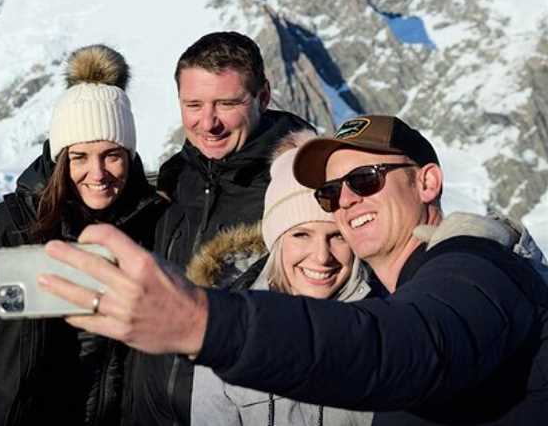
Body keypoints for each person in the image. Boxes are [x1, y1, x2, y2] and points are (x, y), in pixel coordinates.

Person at [40, 114, 548, 425]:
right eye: (331, 192)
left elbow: (408, 346)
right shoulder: (412, 285)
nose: (346, 201)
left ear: (427, 182)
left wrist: (204, 322)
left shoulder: (478, 266)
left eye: (366, 178)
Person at [0, 45, 166, 426]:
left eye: (112, 154)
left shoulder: (154, 226)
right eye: (79, 157)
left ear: (130, 154)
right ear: (60, 160)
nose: (98, 173)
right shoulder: (6, 229)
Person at [130, 31, 311, 424]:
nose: (207, 123)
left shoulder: (298, 187)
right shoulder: (175, 180)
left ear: (263, 97)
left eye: (227, 104)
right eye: (193, 104)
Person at [189, 130, 374, 426]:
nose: (321, 256)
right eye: (301, 235)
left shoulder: (384, 325)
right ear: (276, 241)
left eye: (337, 236)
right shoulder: (230, 331)